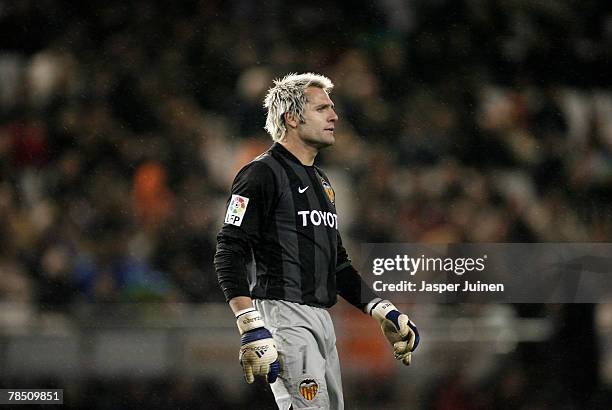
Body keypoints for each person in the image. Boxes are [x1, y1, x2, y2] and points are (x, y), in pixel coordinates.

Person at [214, 72, 419, 409]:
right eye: (322, 108)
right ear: (291, 117)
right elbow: (229, 251)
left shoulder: (322, 183)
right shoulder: (259, 174)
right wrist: (251, 324)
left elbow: (337, 264)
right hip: (285, 317)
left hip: (323, 320)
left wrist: (382, 309)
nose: (334, 116)